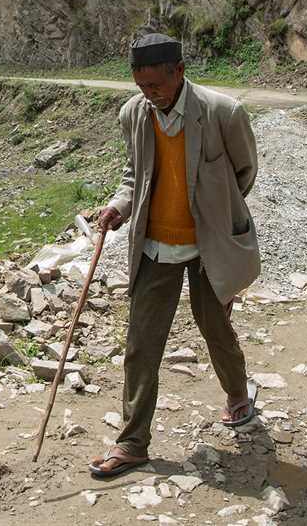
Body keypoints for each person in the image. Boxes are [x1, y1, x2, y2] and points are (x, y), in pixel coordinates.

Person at [89, 33, 260, 479]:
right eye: (141, 86)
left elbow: (244, 173)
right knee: (141, 345)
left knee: (217, 330)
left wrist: (212, 216)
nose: (150, 94)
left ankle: (238, 397)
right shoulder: (133, 114)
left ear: (179, 71)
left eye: (157, 85)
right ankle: (132, 443)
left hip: (208, 247)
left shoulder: (223, 112)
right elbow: (135, 175)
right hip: (154, 248)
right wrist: (119, 207)